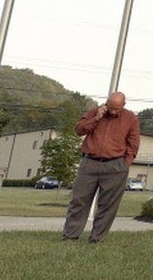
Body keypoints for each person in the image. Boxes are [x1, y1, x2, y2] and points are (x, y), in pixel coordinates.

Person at [62, 91, 140, 243]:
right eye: (110, 107)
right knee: (79, 201)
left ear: (124, 105)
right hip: (89, 163)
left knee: (107, 205)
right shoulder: (95, 112)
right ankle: (70, 236)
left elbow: (134, 143)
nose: (112, 111)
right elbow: (79, 130)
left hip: (116, 165)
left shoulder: (131, 118)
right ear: (106, 103)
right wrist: (96, 117)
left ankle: (96, 239)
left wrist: (125, 163)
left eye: (116, 108)